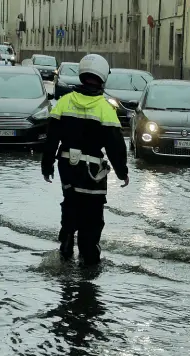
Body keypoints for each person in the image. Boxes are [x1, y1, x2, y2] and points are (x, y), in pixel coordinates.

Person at [41, 53, 129, 266]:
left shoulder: (63, 102)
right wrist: (122, 172)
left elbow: (51, 138)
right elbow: (116, 145)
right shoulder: (105, 109)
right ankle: (89, 256)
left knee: (71, 202)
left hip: (67, 167)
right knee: (93, 212)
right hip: (93, 172)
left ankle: (68, 238)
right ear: (101, 78)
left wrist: (47, 166)